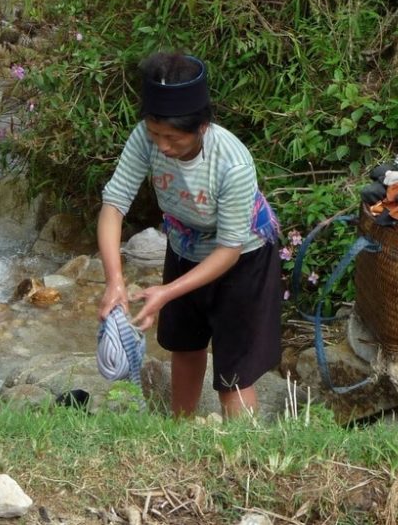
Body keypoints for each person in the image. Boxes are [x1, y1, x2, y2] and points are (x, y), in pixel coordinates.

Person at [97, 51, 283, 419]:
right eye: (156, 134)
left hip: (243, 260)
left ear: (200, 127)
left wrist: (165, 293)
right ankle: (180, 431)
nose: (162, 146)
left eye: (173, 138)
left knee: (234, 373)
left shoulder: (233, 162)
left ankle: (242, 450)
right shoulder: (145, 138)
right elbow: (113, 206)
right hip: (184, 249)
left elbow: (229, 250)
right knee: (183, 346)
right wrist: (114, 281)